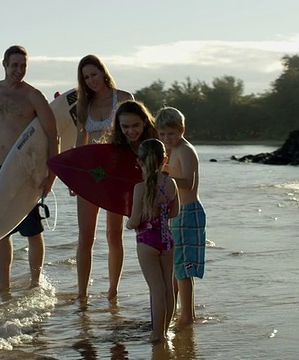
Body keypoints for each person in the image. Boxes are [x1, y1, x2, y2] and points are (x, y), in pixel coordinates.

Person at [0, 45, 59, 293]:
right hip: (0, 168)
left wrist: (50, 175)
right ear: (4, 64)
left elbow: (53, 134)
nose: (19, 70)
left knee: (32, 231)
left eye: (23, 66)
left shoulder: (33, 96)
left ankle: (36, 283)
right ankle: (5, 288)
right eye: (14, 65)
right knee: (1, 229)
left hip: (27, 170)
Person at [74, 55, 134, 301]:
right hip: (90, 176)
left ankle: (112, 291)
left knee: (114, 234)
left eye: (94, 74)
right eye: (86, 78)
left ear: (103, 72)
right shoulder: (83, 105)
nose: (91, 81)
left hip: (117, 175)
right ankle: (82, 293)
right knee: (85, 236)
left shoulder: (123, 99)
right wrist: (74, 176)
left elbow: (133, 134)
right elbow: (81, 142)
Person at [155, 106, 206, 328]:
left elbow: (189, 183)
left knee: (184, 267)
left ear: (181, 129)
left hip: (188, 212)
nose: (167, 138)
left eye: (171, 134)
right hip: (177, 213)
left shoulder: (184, 150)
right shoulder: (171, 150)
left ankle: (187, 315)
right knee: (176, 266)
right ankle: (176, 310)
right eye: (162, 134)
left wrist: (165, 177)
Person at [126, 138, 180, 344]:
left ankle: (157, 336)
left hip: (147, 242)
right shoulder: (171, 183)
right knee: (168, 287)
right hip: (167, 240)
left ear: (139, 162)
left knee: (156, 289)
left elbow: (135, 220)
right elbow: (175, 212)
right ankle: (165, 330)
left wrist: (128, 224)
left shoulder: (140, 188)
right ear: (164, 159)